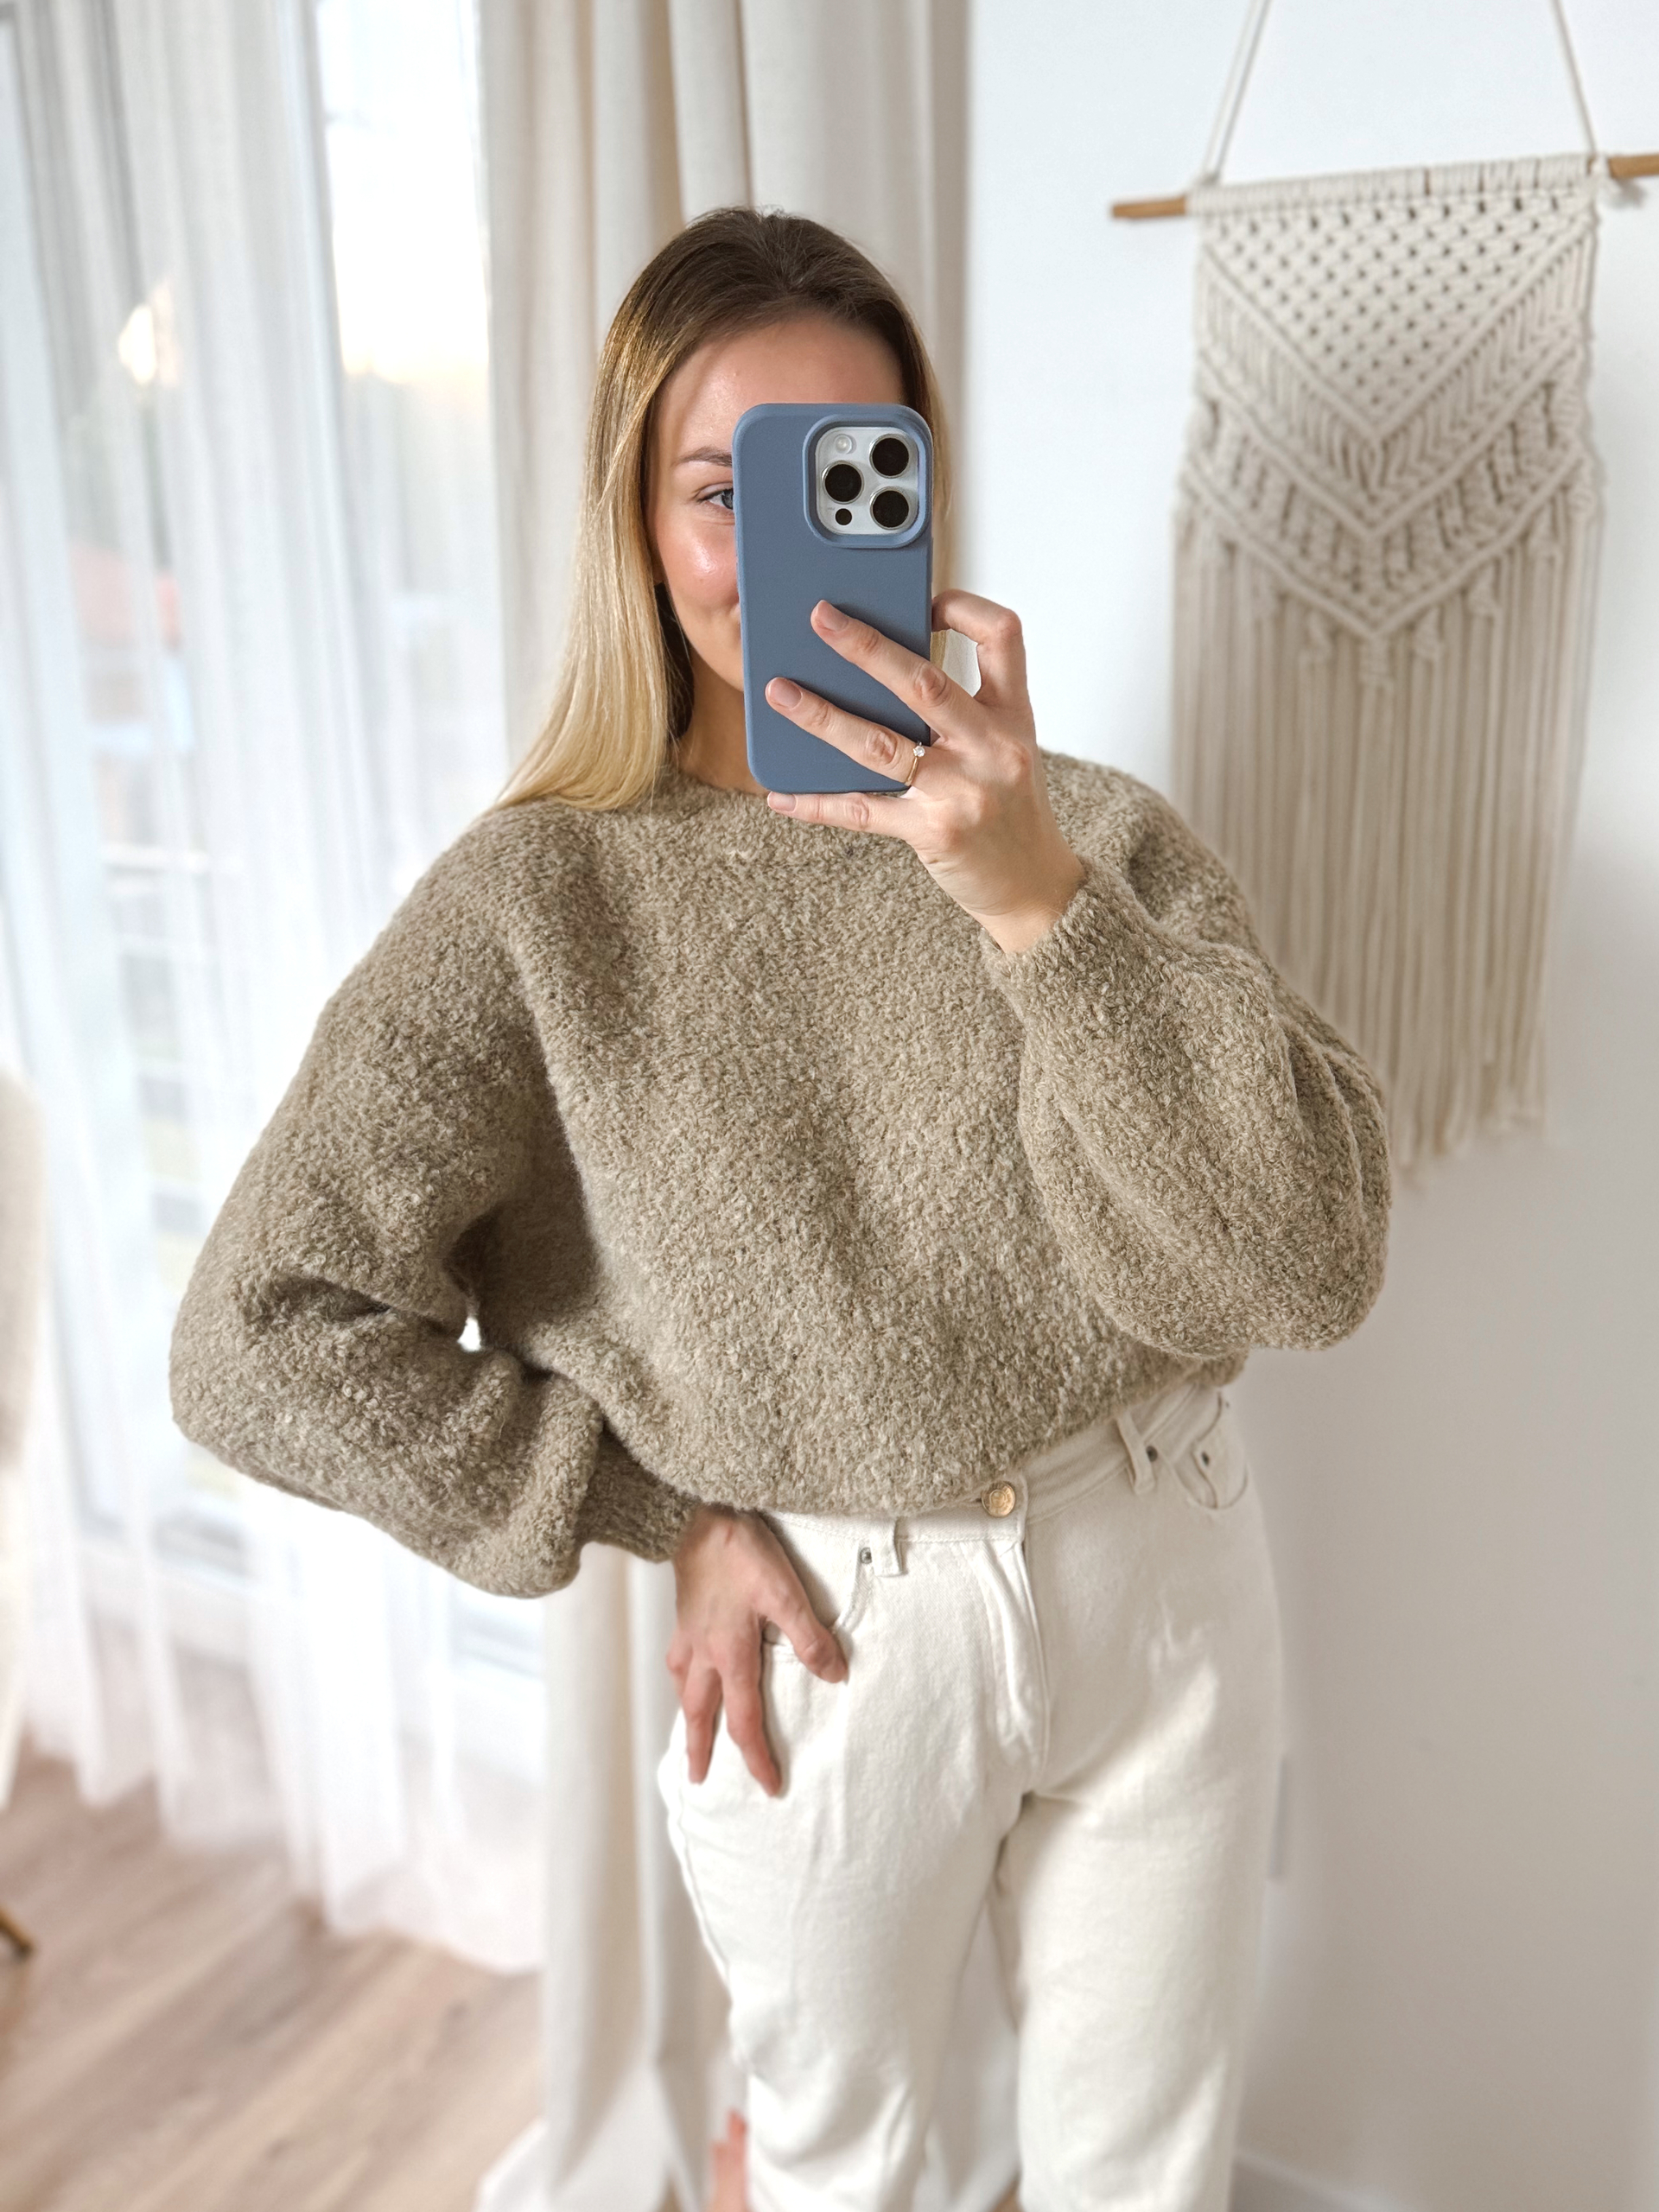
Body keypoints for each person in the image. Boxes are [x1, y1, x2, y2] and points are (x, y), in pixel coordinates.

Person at [168, 207, 1390, 2212]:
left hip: (1166, 1560)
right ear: (638, 523)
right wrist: (657, 1508)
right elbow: (256, 1333)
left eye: (846, 473)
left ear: (915, 497)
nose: (775, 541)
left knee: (1145, 2181)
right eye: (719, 486)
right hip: (828, 1627)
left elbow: (1309, 1261)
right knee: (847, 2173)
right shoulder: (538, 902)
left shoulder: (1090, 838)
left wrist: (1037, 907)